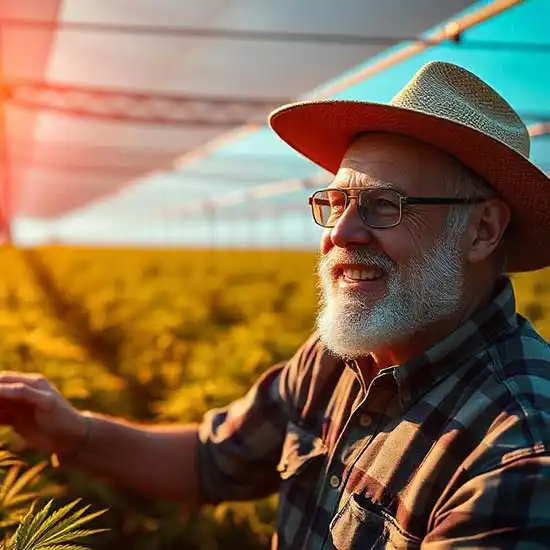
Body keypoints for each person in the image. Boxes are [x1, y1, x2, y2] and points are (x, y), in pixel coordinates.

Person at [0, 60, 549, 549]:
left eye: (385, 205)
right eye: (335, 203)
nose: (343, 232)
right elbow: (214, 459)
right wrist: (73, 431)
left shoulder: (518, 458)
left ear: (482, 230)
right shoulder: (341, 355)